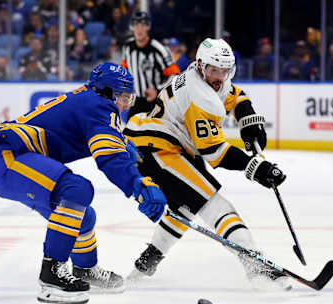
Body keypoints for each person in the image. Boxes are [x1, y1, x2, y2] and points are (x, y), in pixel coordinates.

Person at [0, 62, 167, 304]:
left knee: (83, 216)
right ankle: (51, 276)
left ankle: (85, 270)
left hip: (15, 161)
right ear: (108, 93)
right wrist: (138, 184)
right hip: (10, 161)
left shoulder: (90, 101)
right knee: (77, 189)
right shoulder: (99, 106)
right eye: (123, 97)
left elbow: (99, 137)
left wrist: (121, 143)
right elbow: (109, 157)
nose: (126, 104)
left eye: (129, 98)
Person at [123, 38, 290, 290]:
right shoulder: (198, 96)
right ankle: (255, 264)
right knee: (213, 204)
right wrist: (257, 168)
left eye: (225, 70)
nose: (220, 76)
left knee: (187, 205)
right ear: (201, 67)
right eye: (215, 70)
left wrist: (248, 119)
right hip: (156, 148)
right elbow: (214, 152)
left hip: (160, 143)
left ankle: (146, 263)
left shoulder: (204, 75)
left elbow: (234, 95)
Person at [121, 10, 180, 121]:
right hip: (136, 101)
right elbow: (124, 71)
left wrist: (157, 90)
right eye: (136, 25)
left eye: (143, 25)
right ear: (132, 27)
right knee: (128, 133)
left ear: (148, 27)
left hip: (156, 102)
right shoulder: (127, 47)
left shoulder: (159, 49)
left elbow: (175, 76)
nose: (139, 29)